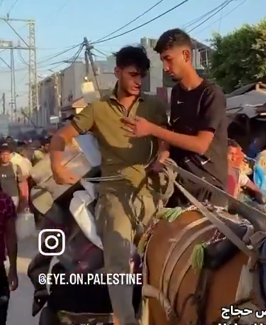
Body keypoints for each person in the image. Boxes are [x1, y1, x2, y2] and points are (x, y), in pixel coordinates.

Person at [49, 45, 168, 325]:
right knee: (117, 258)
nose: (139, 81)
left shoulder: (155, 107)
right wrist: (56, 166)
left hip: (152, 191)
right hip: (114, 194)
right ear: (118, 73)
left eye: (143, 75)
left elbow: (165, 139)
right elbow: (60, 137)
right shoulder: (97, 109)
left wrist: (163, 154)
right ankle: (126, 321)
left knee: (167, 252)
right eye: (133, 74)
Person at [121, 28, 228, 207]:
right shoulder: (177, 92)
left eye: (168, 59)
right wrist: (164, 153)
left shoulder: (211, 95)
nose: (165, 67)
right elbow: (174, 130)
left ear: (186, 55)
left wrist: (152, 129)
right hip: (180, 184)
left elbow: (201, 145)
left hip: (208, 189)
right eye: (163, 60)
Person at [0, 188, 18, 325]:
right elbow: (11, 237)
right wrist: (13, 269)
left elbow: (11, 237)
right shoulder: (4, 200)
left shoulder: (4, 201)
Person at [0, 143, 26, 212]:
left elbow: (22, 184)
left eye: (7, 154)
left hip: (13, 197)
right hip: (1, 199)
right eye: (3, 154)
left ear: (10, 155)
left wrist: (23, 199)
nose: (5, 156)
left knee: (12, 218)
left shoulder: (15, 167)